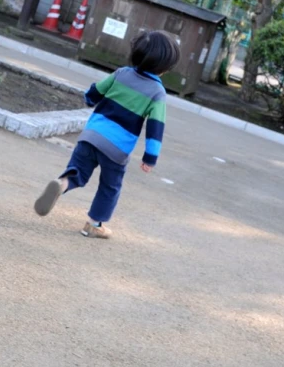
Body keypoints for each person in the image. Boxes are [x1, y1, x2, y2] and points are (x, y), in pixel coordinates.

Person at [34, 29, 180, 238]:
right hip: (117, 148)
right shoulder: (157, 92)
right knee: (110, 187)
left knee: (78, 171)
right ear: (165, 67)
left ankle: (62, 184)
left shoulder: (121, 73)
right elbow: (156, 128)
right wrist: (150, 157)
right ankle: (94, 224)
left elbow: (95, 91)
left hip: (91, 135)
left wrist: (89, 99)